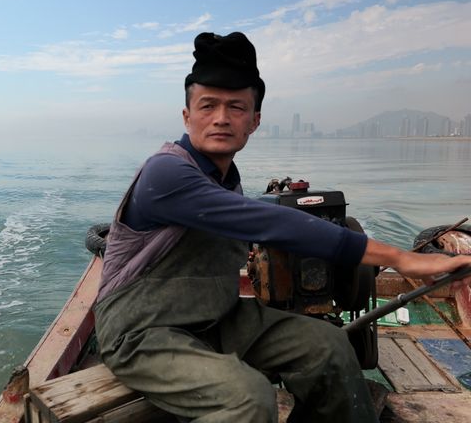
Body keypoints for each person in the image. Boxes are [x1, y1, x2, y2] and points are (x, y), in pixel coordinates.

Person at [93, 31, 471, 423]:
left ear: (254, 121)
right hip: (140, 333)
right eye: (207, 105)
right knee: (247, 399)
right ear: (187, 116)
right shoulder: (166, 172)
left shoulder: (226, 178)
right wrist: (401, 259)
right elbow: (274, 222)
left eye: (236, 107)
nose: (221, 118)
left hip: (214, 320)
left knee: (327, 345)